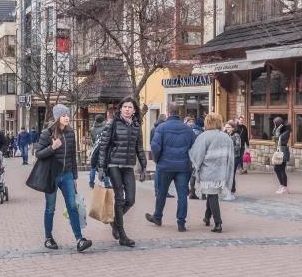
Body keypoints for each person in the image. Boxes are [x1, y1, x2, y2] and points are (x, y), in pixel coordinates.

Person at [35, 105, 92, 252]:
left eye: (68, 115)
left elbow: (72, 156)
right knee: (50, 208)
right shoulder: (46, 133)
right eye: (63, 115)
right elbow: (39, 154)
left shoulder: (71, 133)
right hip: (52, 176)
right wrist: (52, 148)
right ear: (57, 117)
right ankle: (48, 238)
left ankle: (80, 239)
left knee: (72, 206)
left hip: (67, 174)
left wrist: (74, 176)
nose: (67, 117)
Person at [95, 97, 148, 247]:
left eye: (130, 107)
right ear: (120, 109)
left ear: (134, 110)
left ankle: (114, 222)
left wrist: (143, 167)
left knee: (130, 199)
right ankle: (122, 235)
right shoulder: (112, 123)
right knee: (119, 198)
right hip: (114, 165)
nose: (127, 109)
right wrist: (101, 168)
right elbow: (104, 146)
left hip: (128, 166)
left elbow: (139, 148)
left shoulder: (137, 125)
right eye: (124, 107)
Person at [146, 104, 197, 231]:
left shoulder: (161, 128)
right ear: (178, 113)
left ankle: (157, 216)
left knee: (162, 193)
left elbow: (155, 146)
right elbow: (194, 147)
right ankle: (181, 222)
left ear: (168, 113)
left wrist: (157, 160)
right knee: (182, 195)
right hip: (183, 166)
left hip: (165, 165)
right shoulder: (188, 129)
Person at [190, 113, 235, 233]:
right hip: (222, 171)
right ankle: (206, 217)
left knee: (212, 195)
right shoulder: (226, 137)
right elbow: (231, 157)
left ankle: (218, 223)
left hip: (208, 171)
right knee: (211, 193)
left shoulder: (204, 136)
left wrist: (195, 165)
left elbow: (197, 154)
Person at [273, 116, 292, 194]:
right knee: (276, 168)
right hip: (279, 150)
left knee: (281, 169)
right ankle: (282, 185)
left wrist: (278, 129)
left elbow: (278, 138)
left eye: (275, 124)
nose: (274, 125)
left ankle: (285, 187)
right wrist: (276, 128)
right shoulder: (280, 129)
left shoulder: (286, 131)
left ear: (279, 124)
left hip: (283, 151)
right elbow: (274, 135)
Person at [225, 122, 241, 200]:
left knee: (231, 174)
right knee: (229, 174)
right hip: (228, 157)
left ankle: (231, 192)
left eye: (228, 127)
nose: (226, 128)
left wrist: (229, 149)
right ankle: (230, 191)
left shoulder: (236, 135)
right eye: (226, 127)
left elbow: (238, 146)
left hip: (235, 157)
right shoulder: (227, 135)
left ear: (233, 128)